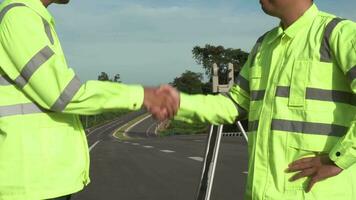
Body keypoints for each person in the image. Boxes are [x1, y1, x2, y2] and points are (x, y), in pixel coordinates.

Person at [158, 0, 356, 199]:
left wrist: (338, 159)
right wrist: (173, 102)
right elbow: (233, 104)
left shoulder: (340, 34)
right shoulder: (264, 46)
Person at [0, 0, 178, 199]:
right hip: (30, 184)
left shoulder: (31, 17)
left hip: (41, 181)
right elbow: (65, 95)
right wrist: (142, 95)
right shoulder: (19, 17)